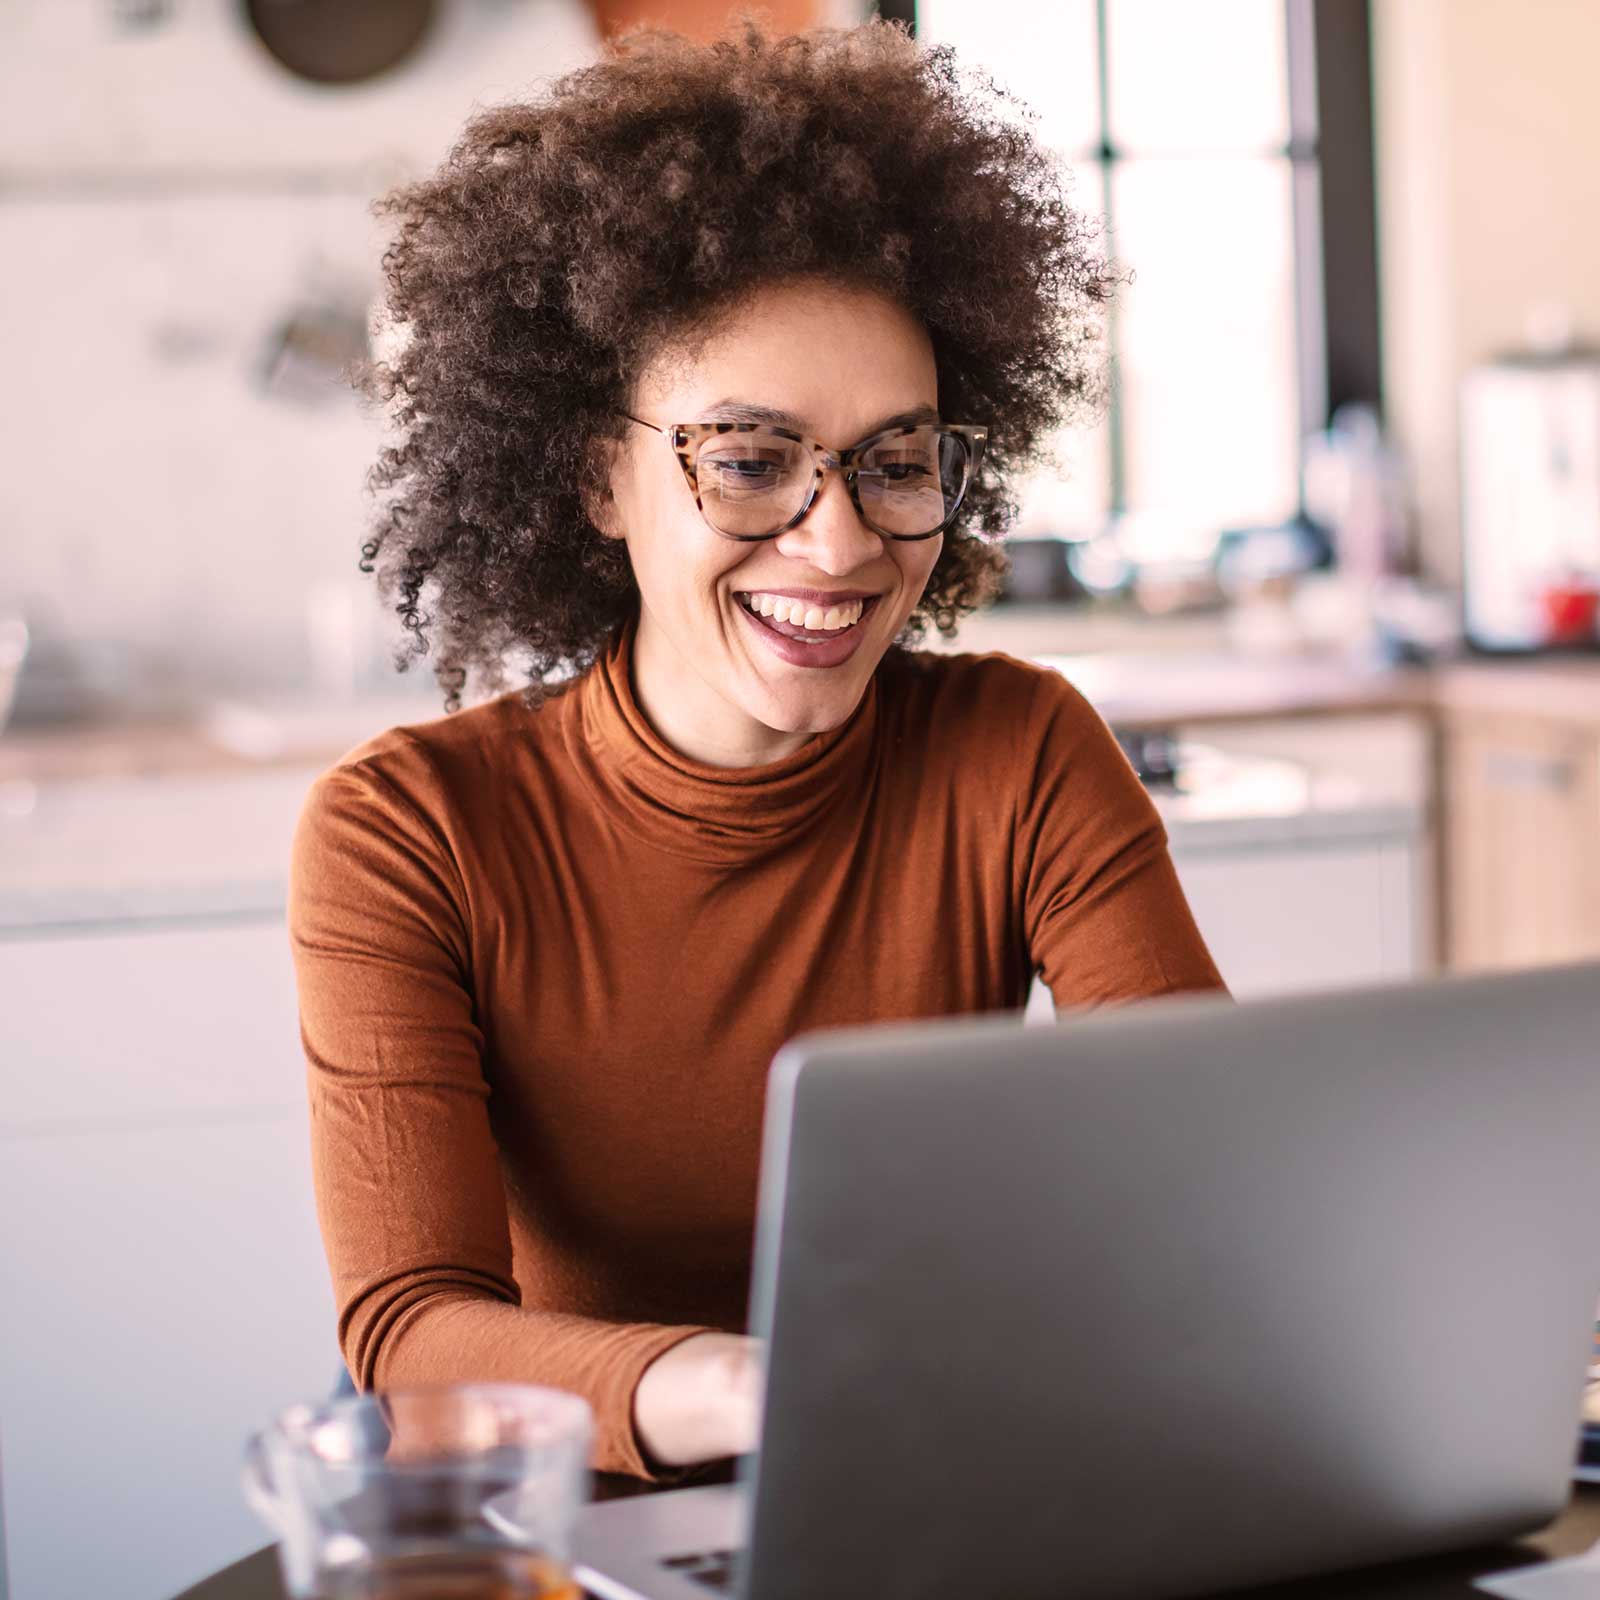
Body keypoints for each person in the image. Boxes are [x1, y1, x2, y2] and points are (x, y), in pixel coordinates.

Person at [287, 16, 1227, 1488]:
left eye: (896, 462)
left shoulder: (1020, 753)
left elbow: (1208, 1175)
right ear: (599, 475)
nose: (840, 540)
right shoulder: (411, 830)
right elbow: (412, 1339)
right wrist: (760, 1391)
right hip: (585, 1528)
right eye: (748, 460)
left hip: (950, 1486)